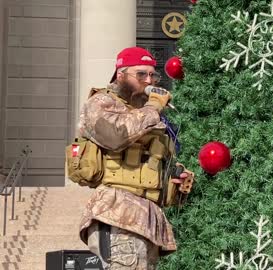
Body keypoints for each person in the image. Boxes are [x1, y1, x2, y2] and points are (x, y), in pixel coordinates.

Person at [75, 46, 195, 269]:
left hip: (148, 220)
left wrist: (176, 179)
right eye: (141, 74)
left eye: (152, 74)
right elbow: (114, 136)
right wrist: (152, 108)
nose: (148, 80)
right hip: (117, 213)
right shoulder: (101, 103)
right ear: (121, 75)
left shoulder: (152, 116)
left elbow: (156, 164)